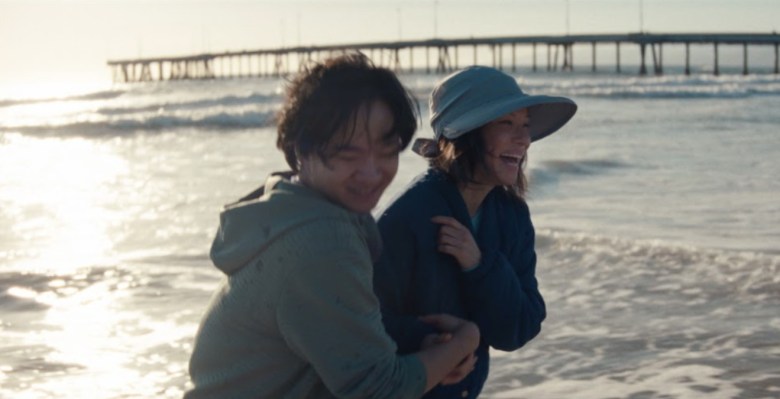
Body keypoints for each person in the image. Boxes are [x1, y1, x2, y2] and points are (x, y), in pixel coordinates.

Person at [184, 53, 480, 399]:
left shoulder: (288, 206)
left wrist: (425, 350)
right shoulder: (322, 241)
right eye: (346, 153)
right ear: (300, 150)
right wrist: (464, 341)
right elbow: (379, 391)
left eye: (387, 150)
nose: (372, 172)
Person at [373, 66, 577, 398]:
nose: (524, 139)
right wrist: (429, 344)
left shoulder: (511, 216)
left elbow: (518, 328)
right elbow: (361, 325)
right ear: (468, 135)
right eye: (506, 124)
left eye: (525, 125)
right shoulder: (407, 218)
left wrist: (479, 266)